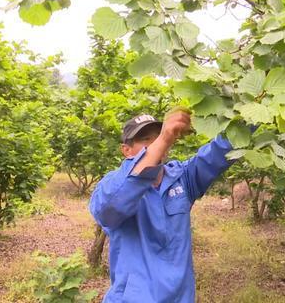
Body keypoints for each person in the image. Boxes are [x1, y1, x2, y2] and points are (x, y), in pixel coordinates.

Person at [89, 110, 236, 302]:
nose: (156, 144)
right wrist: (164, 138)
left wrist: (253, 110)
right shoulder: (112, 186)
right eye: (145, 140)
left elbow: (219, 152)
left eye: (158, 137)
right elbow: (108, 210)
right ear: (126, 150)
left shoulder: (182, 178)